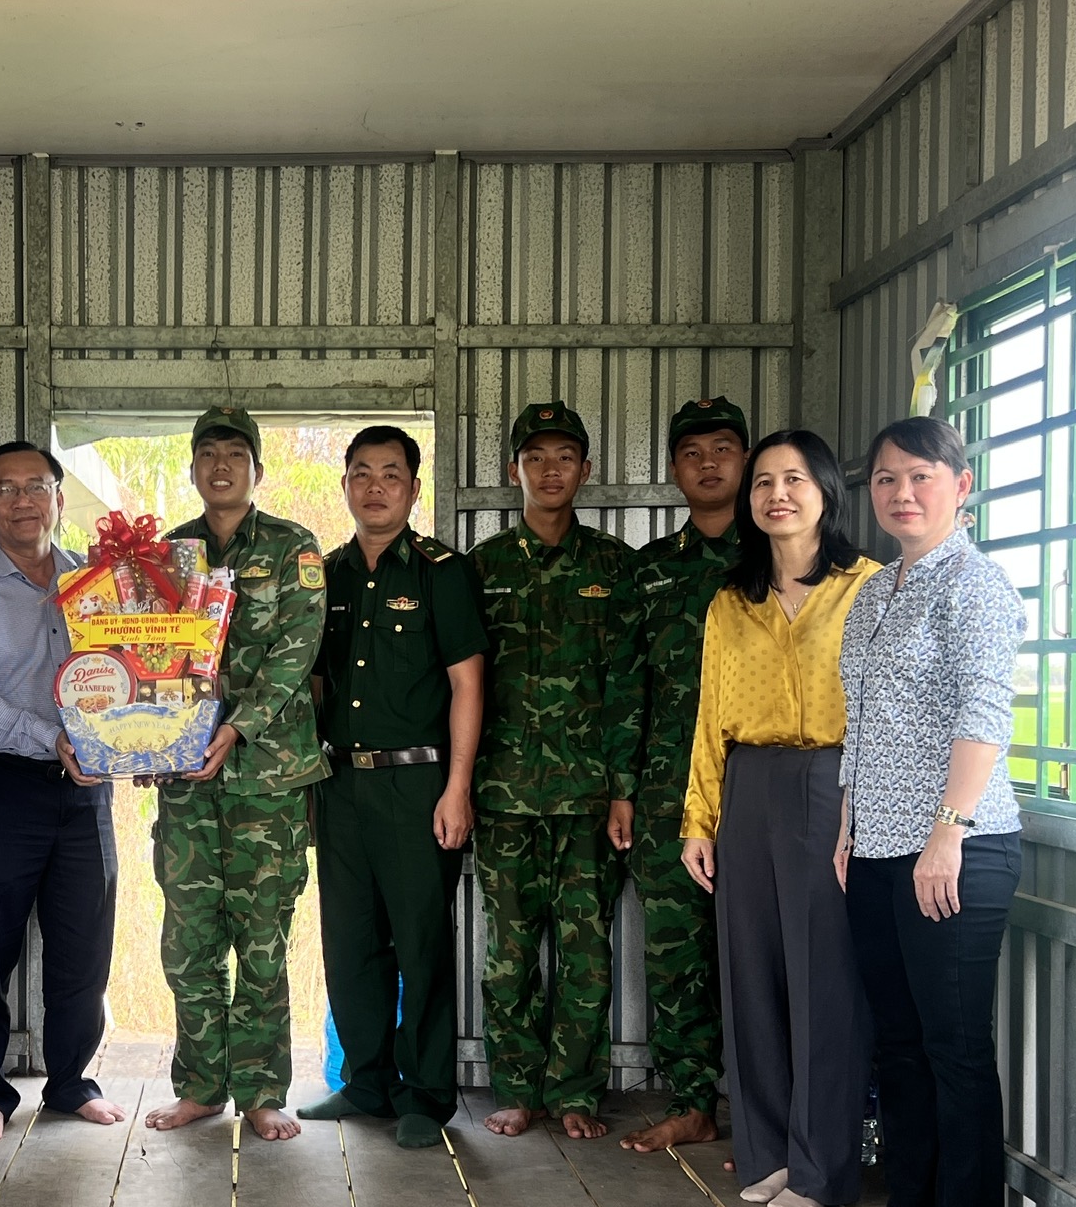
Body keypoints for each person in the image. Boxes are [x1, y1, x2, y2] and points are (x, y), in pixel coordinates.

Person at [818, 416, 1025, 1207]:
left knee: (953, 1045)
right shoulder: (877, 592)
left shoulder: (976, 586)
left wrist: (948, 832)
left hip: (956, 850)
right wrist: (847, 826)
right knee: (897, 1040)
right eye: (887, 479)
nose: (902, 493)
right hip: (877, 845)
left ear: (961, 486)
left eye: (921, 477)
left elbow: (985, 713)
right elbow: (862, 721)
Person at [678, 430, 879, 1207]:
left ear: (827, 491)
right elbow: (710, 717)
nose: (777, 494)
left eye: (795, 479)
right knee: (751, 974)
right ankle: (765, 1152)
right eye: (763, 482)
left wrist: (870, 810)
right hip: (749, 785)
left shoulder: (869, 587)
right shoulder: (732, 601)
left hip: (836, 785)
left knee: (825, 978)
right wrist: (699, 820)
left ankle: (821, 1166)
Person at [295, 426, 484, 1150]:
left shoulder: (442, 572)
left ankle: (426, 1095)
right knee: (350, 942)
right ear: (345, 484)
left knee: (420, 943)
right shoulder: (326, 576)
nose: (375, 487)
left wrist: (457, 787)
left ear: (413, 487)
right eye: (362, 474)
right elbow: (315, 683)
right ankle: (367, 1080)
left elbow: (468, 685)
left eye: (391, 474)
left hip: (418, 783)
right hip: (341, 782)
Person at [145, 405, 329, 1141]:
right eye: (207, 454)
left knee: (261, 944)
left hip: (267, 781)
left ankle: (259, 1091)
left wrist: (236, 726)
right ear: (193, 468)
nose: (220, 466)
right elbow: (145, 658)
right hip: (187, 783)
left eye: (235, 454)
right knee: (188, 944)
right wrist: (140, 742)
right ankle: (199, 1087)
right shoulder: (166, 555)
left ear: (256, 468)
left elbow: (297, 648)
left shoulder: (292, 547)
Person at [0, 441, 125, 1142]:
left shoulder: (99, 585)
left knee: (85, 945)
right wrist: (51, 740)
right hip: (4, 787)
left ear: (59, 499)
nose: (23, 501)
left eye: (36, 486)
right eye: (6, 489)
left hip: (87, 790)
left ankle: (71, 1082)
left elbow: (133, 668)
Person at [470, 400, 645, 1141]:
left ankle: (575, 1091)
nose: (550, 470)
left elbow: (630, 686)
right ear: (513, 470)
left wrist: (623, 790)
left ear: (586, 470)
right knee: (507, 956)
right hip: (503, 795)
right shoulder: (482, 568)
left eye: (564, 457)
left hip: (588, 800)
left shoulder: (614, 567)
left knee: (586, 955)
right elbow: (461, 686)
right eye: (535, 458)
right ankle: (518, 1089)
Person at [619, 397, 747, 1157]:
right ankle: (693, 1102)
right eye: (692, 452)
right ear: (673, 468)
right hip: (667, 791)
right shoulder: (651, 572)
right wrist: (623, 789)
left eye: (723, 448)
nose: (708, 463)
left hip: (759, 791)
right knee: (675, 956)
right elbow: (628, 685)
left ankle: (769, 1116)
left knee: (764, 955)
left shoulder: (779, 558)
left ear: (745, 460)